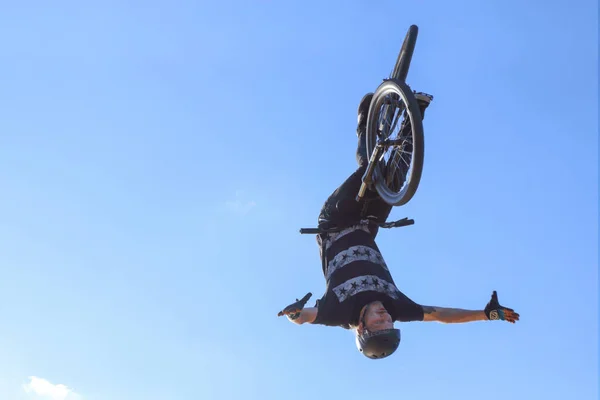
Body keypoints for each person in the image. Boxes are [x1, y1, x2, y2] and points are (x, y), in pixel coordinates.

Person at [277, 91, 520, 360]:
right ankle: (414, 113)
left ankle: (365, 124)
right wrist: (485, 315)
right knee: (395, 179)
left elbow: (305, 318)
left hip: (333, 222)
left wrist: (295, 314)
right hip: (367, 224)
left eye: (379, 323)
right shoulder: (397, 307)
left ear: (361, 327)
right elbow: (440, 315)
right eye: (390, 324)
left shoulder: (339, 312)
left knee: (369, 172)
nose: (386, 317)